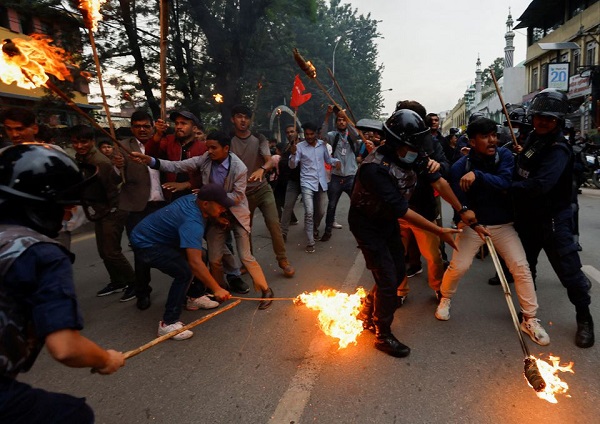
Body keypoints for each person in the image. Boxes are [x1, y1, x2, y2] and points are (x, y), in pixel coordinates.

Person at [0, 144, 125, 422]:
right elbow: (66, 347)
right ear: (43, 205)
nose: (69, 214)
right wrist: (106, 359)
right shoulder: (42, 253)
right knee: (73, 415)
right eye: (65, 206)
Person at [351, 109, 460, 358]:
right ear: (395, 142)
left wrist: (462, 210)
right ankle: (382, 333)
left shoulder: (412, 154)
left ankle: (367, 309)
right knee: (388, 279)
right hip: (368, 224)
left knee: (398, 269)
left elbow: (439, 182)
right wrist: (439, 231)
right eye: (411, 145)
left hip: (387, 220)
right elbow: (403, 210)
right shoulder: (374, 169)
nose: (417, 151)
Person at [434, 118, 549, 346]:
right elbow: (460, 204)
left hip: (503, 225)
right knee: (459, 266)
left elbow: (505, 182)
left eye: (494, 135)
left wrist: (478, 176)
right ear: (472, 141)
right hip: (474, 227)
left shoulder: (504, 157)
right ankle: (445, 297)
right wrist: (465, 218)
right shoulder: (459, 168)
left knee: (521, 267)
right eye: (486, 136)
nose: (493, 140)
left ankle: (530, 318)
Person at [131, 132, 274, 309]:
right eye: (208, 147)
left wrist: (213, 197)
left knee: (246, 256)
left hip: (235, 213)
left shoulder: (239, 168)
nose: (209, 151)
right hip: (213, 214)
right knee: (214, 258)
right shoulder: (205, 159)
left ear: (226, 148)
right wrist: (151, 161)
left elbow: (237, 196)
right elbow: (179, 165)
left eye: (214, 148)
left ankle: (266, 290)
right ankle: (220, 289)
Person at [512, 88, 594, 348]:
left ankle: (584, 319)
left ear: (558, 121)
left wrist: (503, 186)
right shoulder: (532, 140)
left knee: (569, 272)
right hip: (528, 218)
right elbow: (522, 168)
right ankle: (529, 312)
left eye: (550, 118)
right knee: (526, 268)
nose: (543, 122)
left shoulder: (559, 149)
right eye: (539, 116)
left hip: (554, 219)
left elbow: (540, 185)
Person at [129, 184, 236, 340]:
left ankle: (194, 297)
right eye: (220, 206)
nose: (223, 209)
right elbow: (194, 263)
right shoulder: (192, 222)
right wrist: (216, 288)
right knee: (184, 272)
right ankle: (168, 323)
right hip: (146, 244)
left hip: (158, 237)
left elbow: (197, 256)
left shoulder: (195, 200)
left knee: (203, 254)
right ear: (206, 204)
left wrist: (216, 216)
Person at [70, 125, 136, 298]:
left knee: (112, 252)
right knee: (103, 251)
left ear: (92, 142)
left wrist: (112, 209)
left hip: (112, 209)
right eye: (75, 142)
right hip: (100, 209)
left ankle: (135, 283)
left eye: (83, 142)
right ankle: (118, 281)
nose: (79, 146)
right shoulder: (81, 158)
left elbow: (113, 187)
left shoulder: (100, 162)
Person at [229, 104, 295, 278]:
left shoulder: (259, 138)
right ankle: (247, 262)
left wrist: (262, 169)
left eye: (246, 117)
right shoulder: (227, 140)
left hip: (262, 189)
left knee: (274, 224)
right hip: (242, 194)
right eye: (239, 116)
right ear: (233, 119)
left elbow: (268, 159)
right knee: (245, 230)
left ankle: (283, 260)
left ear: (250, 120)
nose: (243, 120)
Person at [114, 110, 168, 306]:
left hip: (163, 204)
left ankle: (188, 286)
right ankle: (142, 291)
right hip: (137, 208)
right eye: (138, 126)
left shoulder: (163, 142)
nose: (142, 130)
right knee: (140, 251)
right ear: (132, 128)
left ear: (153, 126)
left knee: (173, 246)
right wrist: (116, 165)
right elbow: (116, 178)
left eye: (146, 126)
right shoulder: (122, 147)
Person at [288, 121, 340, 253]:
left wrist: (336, 162)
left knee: (321, 212)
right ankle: (310, 241)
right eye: (307, 134)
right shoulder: (299, 147)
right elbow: (292, 165)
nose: (309, 136)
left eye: (311, 134)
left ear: (316, 134)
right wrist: (293, 154)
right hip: (306, 183)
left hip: (321, 183)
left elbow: (328, 160)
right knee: (309, 212)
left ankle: (314, 228)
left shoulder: (322, 146)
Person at [319, 106, 361, 241]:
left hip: (351, 176)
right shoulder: (333, 136)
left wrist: (347, 117)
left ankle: (362, 233)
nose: (342, 122)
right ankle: (327, 231)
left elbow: (356, 135)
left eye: (344, 120)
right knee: (331, 205)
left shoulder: (353, 136)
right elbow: (322, 136)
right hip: (336, 177)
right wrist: (327, 116)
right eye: (339, 120)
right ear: (336, 123)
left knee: (357, 205)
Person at [149, 110, 207, 201]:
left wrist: (188, 184)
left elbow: (207, 173)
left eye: (183, 123)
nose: (178, 127)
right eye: (176, 123)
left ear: (194, 128)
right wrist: (158, 134)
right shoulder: (168, 141)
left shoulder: (203, 148)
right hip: (169, 196)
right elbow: (151, 156)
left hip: (194, 197)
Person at [279, 124, 301, 240]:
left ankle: (313, 229)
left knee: (313, 208)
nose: (290, 134)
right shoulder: (286, 147)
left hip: (306, 180)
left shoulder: (304, 144)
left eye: (292, 131)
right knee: (287, 206)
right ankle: (283, 233)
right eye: (287, 132)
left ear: (297, 132)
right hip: (292, 181)